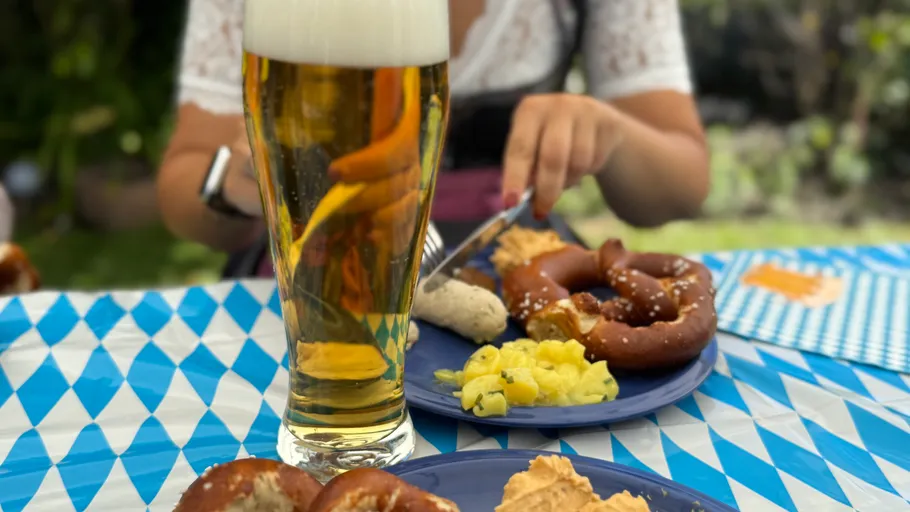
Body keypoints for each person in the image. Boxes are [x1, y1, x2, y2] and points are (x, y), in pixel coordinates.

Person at [158, 0, 710, 277]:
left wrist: (610, 133)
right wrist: (237, 183)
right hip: (310, 279)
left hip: (510, 272)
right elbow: (183, 187)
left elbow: (684, 184)